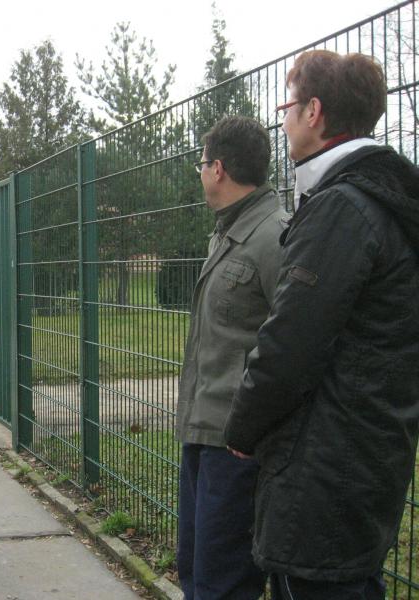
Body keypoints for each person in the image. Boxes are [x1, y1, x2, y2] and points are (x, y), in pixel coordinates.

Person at [224, 50, 419, 600]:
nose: (283, 121)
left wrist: (243, 428)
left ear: (313, 112)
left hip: (323, 467)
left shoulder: (342, 209)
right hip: (365, 454)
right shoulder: (380, 198)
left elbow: (289, 344)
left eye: (287, 108)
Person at [176, 116, 286, 600]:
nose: (201, 173)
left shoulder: (275, 236)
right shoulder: (225, 233)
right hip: (202, 432)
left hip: (238, 447)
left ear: (217, 168)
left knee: (224, 584)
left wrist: (251, 427)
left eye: (202, 164)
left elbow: (291, 345)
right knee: (196, 573)